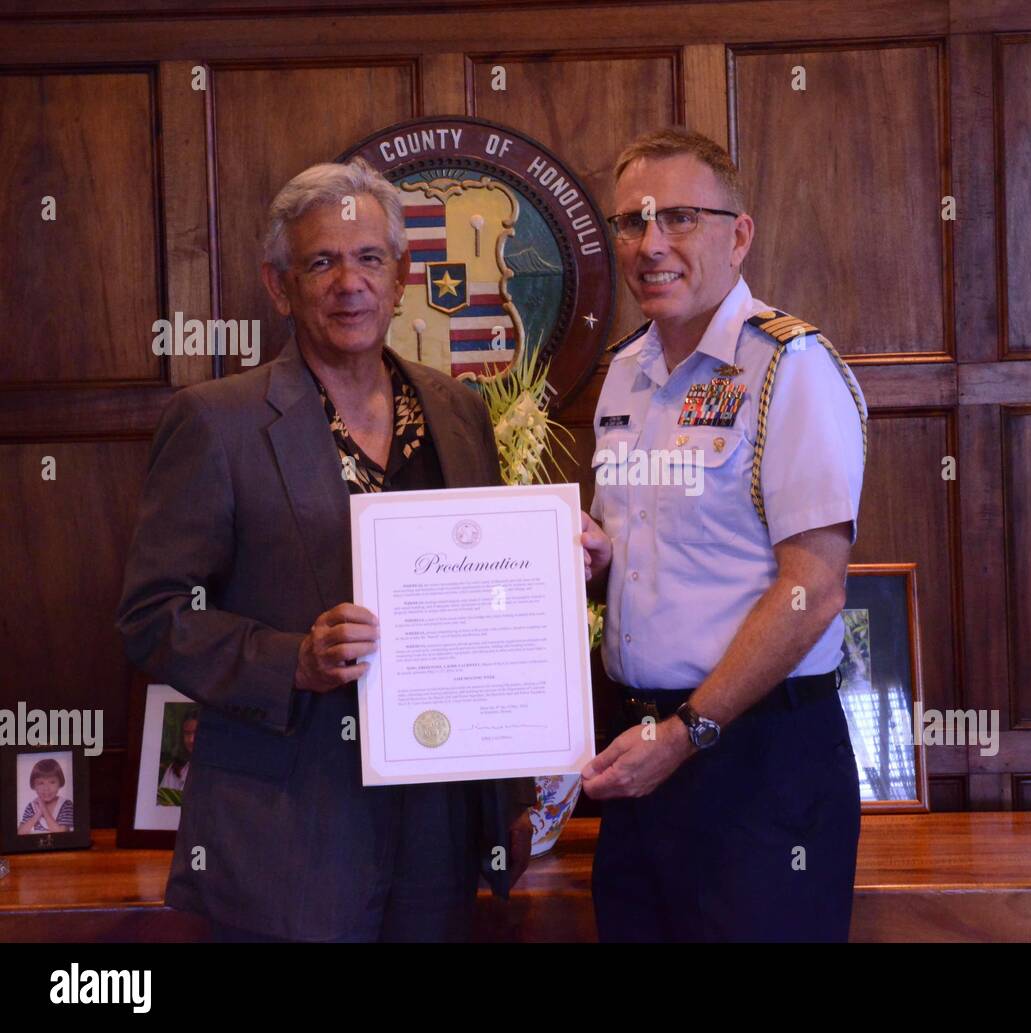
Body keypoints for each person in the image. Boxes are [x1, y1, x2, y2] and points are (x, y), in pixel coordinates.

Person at [116, 158, 534, 942]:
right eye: (321, 261)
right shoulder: (216, 422)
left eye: (370, 258)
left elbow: (490, 605)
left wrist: (507, 798)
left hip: (439, 821)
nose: (350, 282)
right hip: (290, 830)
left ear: (402, 275)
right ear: (281, 286)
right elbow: (151, 615)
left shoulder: (457, 411)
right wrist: (291, 660)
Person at [579, 128, 868, 942]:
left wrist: (688, 735)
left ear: (738, 235)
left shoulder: (789, 367)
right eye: (632, 222)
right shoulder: (626, 369)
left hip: (755, 761)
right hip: (641, 753)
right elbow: (645, 539)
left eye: (679, 218)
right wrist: (596, 551)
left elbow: (814, 591)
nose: (650, 245)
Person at [18, 758, 74, 834]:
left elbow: (61, 832)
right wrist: (38, 814)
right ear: (34, 785)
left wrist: (44, 809)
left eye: (52, 782)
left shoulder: (66, 805)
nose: (46, 788)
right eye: (41, 783)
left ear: (59, 783)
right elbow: (20, 832)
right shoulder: (31, 807)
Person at [158, 710, 198, 797]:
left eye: (196, 732)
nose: (191, 739)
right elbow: (164, 804)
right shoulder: (175, 769)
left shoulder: (220, 770)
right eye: (187, 733)